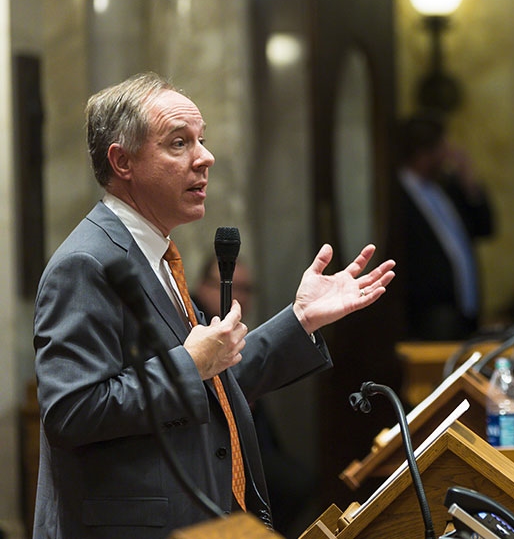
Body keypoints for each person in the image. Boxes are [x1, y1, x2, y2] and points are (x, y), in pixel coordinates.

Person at [32, 72, 395, 538]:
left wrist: (301, 319)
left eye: (201, 140)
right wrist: (188, 362)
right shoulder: (87, 263)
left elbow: (210, 384)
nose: (205, 158)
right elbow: (71, 411)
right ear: (122, 161)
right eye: (179, 143)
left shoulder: (157, 255)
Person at [192, 259, 316, 537]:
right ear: (202, 286)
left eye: (246, 289)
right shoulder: (192, 322)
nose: (239, 297)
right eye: (230, 286)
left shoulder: (236, 328)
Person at [393, 113, 494, 341]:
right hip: (429, 311)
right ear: (423, 152)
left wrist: (470, 182)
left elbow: (485, 228)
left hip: (464, 306)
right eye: (442, 146)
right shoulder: (395, 195)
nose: (448, 153)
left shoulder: (447, 187)